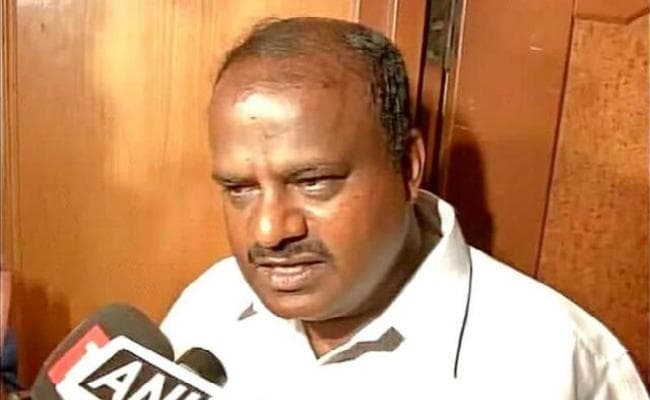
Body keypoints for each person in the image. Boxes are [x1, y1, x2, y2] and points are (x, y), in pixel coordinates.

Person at [161, 17, 648, 399]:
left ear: (408, 167)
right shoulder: (212, 304)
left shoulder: (557, 362)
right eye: (239, 189)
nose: (268, 230)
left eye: (313, 182)